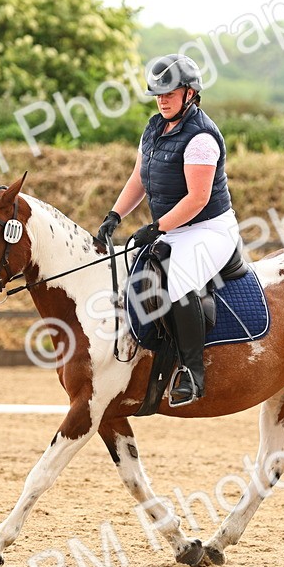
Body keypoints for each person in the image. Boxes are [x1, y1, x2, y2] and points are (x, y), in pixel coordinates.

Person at [95, 53, 238, 407]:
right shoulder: (154, 127)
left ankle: (193, 373)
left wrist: (156, 227)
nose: (162, 100)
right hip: (174, 227)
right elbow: (138, 179)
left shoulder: (201, 137)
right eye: (158, 95)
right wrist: (115, 214)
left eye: (169, 94)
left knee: (180, 281)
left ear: (190, 93)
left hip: (208, 228)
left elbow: (199, 198)